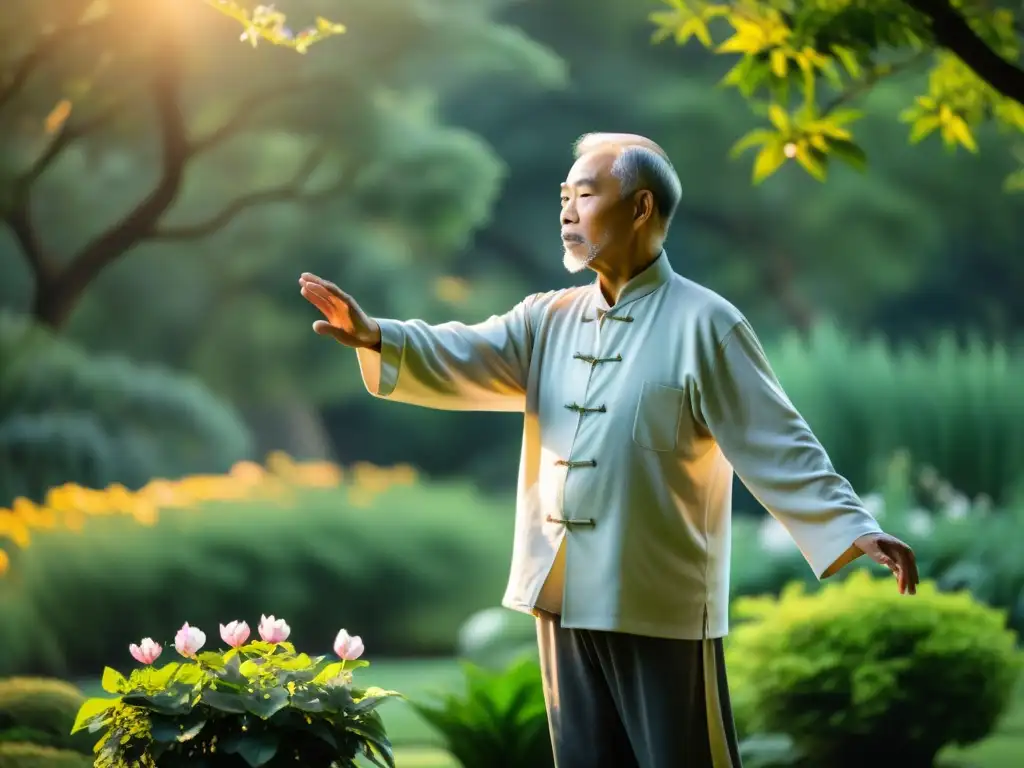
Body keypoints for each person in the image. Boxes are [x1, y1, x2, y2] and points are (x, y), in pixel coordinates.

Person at [298, 132, 919, 768]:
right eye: (563, 196)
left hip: (660, 601)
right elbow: (465, 350)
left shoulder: (707, 323)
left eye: (585, 194)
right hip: (561, 594)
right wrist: (375, 336)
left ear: (642, 208)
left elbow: (777, 439)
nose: (567, 211)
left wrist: (852, 525)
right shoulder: (547, 317)